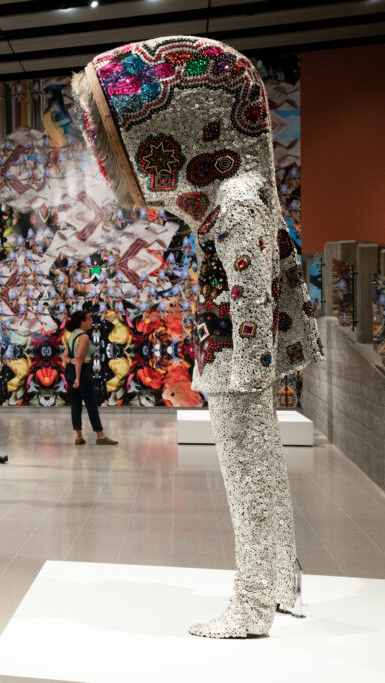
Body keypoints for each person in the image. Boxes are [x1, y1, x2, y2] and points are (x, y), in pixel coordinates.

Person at [71, 36, 322, 637]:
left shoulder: (234, 200)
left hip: (238, 367)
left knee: (250, 478)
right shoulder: (232, 196)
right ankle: (281, 584)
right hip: (236, 361)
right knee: (261, 474)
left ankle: (253, 602)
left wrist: (248, 369)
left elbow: (251, 293)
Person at [62, 310, 117, 446]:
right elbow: (79, 358)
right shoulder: (84, 337)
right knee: (91, 403)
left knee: (76, 403)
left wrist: (70, 362)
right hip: (80, 372)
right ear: (82, 322)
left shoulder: (72, 335)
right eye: (89, 319)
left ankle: (79, 437)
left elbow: (64, 356)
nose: (92, 321)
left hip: (70, 371)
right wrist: (78, 378)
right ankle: (100, 436)